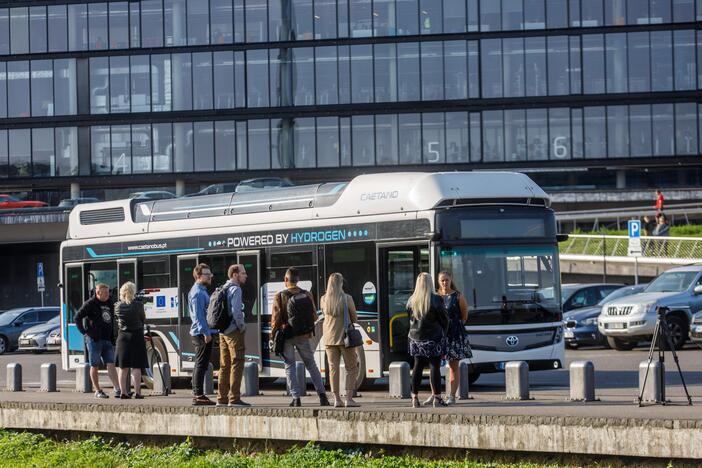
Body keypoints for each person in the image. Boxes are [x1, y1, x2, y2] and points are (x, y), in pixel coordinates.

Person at [272, 267, 330, 407]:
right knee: (311, 365)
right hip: (303, 335)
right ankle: (322, 396)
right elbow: (314, 316)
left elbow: (275, 319)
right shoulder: (307, 294)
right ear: (298, 280)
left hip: (286, 336)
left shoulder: (279, 296)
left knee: (289, 366)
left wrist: (274, 335)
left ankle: (296, 398)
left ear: (286, 280)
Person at [407, 273, 448, 408]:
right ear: (430, 283)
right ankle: (437, 398)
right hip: (433, 338)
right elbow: (444, 319)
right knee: (434, 367)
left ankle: (414, 398)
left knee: (417, 366)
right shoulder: (436, 299)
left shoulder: (411, 300)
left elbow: (409, 319)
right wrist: (444, 333)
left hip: (415, 338)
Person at [320, 273, 360, 408]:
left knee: (333, 369)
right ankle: (349, 399)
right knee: (351, 367)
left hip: (328, 339)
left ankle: (337, 399)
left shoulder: (323, 299)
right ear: (341, 283)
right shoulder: (347, 298)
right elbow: (354, 318)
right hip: (344, 338)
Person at [74, 283, 120, 399]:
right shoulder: (90, 303)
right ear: (98, 293)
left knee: (111, 364)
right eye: (105, 293)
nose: (107, 295)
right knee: (94, 365)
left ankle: (117, 389)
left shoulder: (110, 302)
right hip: (94, 339)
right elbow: (77, 317)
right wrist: (85, 332)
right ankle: (97, 390)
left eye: (108, 292)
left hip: (107, 339)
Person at [433, 271, 471, 406]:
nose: (445, 283)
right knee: (434, 365)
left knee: (453, 366)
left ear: (450, 280)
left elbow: (464, 316)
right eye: (442, 280)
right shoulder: (435, 296)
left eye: (447, 280)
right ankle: (435, 395)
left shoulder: (458, 296)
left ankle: (452, 395)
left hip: (454, 335)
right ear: (438, 281)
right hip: (438, 335)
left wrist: (454, 328)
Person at [217, 264, 250, 407]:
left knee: (224, 365)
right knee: (237, 362)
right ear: (235, 275)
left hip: (222, 332)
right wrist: (242, 326)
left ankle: (221, 398)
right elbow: (237, 312)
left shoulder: (223, 288)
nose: (246, 275)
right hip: (233, 331)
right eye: (243, 273)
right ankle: (234, 398)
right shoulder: (236, 289)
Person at [114, 281, 148, 399]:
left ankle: (123, 392)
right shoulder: (139, 305)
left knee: (123, 368)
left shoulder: (117, 306)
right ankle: (138, 392)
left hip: (123, 337)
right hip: (137, 336)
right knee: (136, 366)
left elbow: (117, 321)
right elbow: (143, 319)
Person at [189, 263, 215, 406]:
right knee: (200, 364)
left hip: (202, 331)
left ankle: (198, 394)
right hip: (201, 333)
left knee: (202, 364)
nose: (210, 276)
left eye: (210, 273)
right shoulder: (198, 293)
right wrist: (206, 332)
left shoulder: (201, 290)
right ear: (199, 276)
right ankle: (198, 395)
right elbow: (199, 316)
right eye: (206, 274)